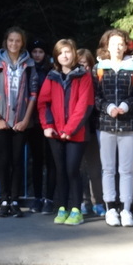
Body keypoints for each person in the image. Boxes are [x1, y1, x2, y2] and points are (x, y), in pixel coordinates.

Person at [37, 40, 94, 226]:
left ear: (74, 54)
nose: (64, 56)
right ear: (56, 56)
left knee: (72, 169)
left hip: (76, 133)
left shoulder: (83, 76)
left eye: (68, 52)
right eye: (60, 52)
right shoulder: (51, 76)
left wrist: (69, 129)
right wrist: (47, 125)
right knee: (60, 170)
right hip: (55, 133)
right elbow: (43, 102)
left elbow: (84, 105)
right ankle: (62, 207)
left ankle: (76, 210)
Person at [94, 28, 133, 226]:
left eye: (120, 44)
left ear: (125, 47)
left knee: (126, 170)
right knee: (108, 169)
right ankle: (110, 208)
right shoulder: (99, 68)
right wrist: (107, 107)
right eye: (113, 44)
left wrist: (126, 105)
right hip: (105, 124)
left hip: (129, 124)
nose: (117, 47)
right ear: (107, 46)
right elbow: (94, 96)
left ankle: (126, 209)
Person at [0, 26, 38, 217]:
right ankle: (4, 199)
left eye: (17, 40)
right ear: (6, 42)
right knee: (3, 160)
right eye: (10, 40)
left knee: (17, 160)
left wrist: (26, 120)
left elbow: (33, 94)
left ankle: (15, 200)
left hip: (20, 121)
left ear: (22, 43)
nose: (14, 44)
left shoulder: (29, 64)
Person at [26, 39, 56, 213]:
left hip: (50, 120)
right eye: (35, 51)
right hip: (33, 121)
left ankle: (49, 198)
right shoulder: (27, 69)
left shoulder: (51, 70)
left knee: (51, 161)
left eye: (41, 52)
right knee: (37, 160)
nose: (37, 55)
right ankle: (37, 198)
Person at [75, 48, 103, 215]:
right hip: (76, 130)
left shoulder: (96, 82)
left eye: (86, 64)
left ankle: (98, 202)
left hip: (93, 129)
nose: (83, 68)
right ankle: (83, 201)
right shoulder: (72, 81)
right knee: (79, 169)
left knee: (94, 169)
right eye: (79, 64)